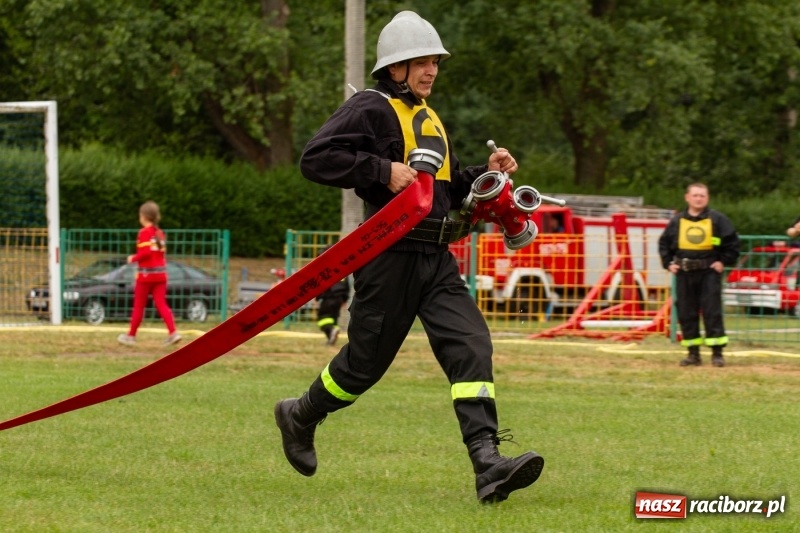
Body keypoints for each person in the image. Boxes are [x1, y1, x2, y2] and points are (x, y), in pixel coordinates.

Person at [274, 11, 544, 503]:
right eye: (421, 62)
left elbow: (448, 188)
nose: (431, 71)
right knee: (362, 368)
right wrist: (382, 170)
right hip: (388, 257)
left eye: (435, 62)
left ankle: (488, 463)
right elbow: (315, 158)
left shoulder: (430, 117)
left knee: (471, 345)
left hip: (436, 258)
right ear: (394, 68)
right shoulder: (369, 107)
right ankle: (300, 415)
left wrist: (488, 172)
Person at [658, 183, 739, 367]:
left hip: (708, 273)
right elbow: (664, 244)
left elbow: (732, 243)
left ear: (707, 198)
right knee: (686, 312)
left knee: (712, 311)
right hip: (684, 273)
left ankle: (717, 354)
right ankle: (693, 354)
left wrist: (723, 261)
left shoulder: (718, 220)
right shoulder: (677, 221)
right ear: (687, 198)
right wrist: (668, 263)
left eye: (702, 195)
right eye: (695, 195)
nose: (698, 199)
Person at [117, 201, 182, 347]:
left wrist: (132, 258)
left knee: (139, 306)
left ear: (144, 216)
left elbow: (145, 253)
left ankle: (131, 336)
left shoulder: (144, 232)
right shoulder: (160, 233)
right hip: (161, 275)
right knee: (161, 303)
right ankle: (173, 332)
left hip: (146, 276)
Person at [315, 247, 351, 345]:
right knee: (333, 318)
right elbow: (347, 285)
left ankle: (331, 330)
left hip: (329, 297)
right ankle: (331, 337)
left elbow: (320, 284)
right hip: (339, 298)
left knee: (323, 318)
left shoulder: (324, 269)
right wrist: (344, 299)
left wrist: (318, 297)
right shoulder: (342, 267)